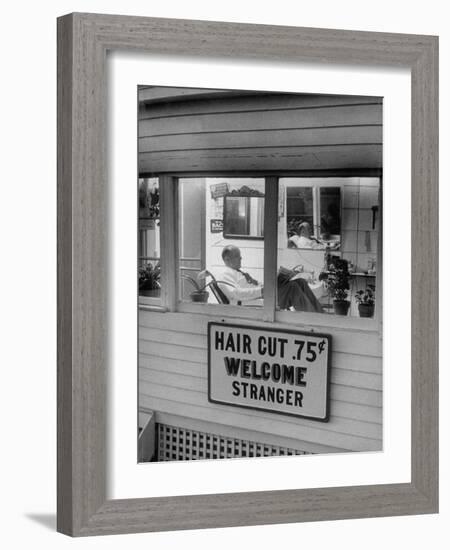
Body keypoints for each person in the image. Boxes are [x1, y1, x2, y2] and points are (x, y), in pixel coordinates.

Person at [217, 245, 323, 313]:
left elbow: (255, 284)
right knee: (293, 288)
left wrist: (269, 283)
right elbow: (237, 294)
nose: (240, 258)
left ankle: (319, 314)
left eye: (240, 256)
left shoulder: (238, 273)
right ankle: (312, 318)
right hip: (254, 302)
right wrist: (262, 290)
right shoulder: (225, 275)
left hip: (262, 295)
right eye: (237, 256)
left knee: (300, 282)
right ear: (227, 259)